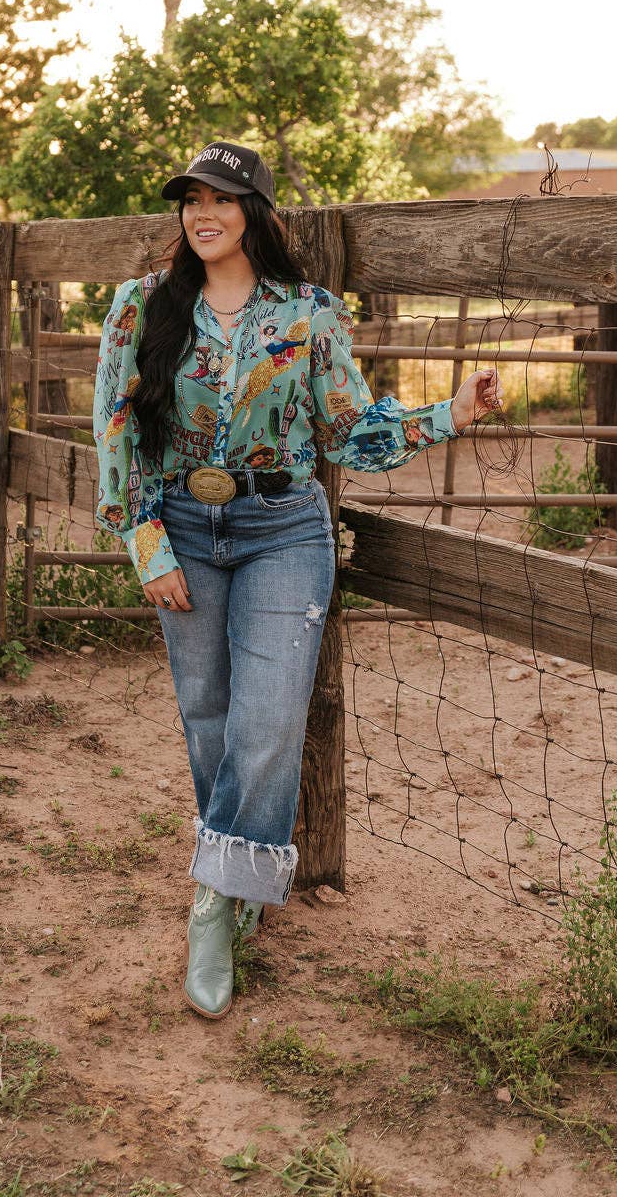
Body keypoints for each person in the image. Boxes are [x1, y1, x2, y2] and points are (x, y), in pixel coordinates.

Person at [92, 140, 502, 1020]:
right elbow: (115, 434)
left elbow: (350, 433)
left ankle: (211, 901)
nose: (203, 214)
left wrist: (449, 414)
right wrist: (145, 545)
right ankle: (238, 886)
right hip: (183, 529)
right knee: (207, 715)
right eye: (191, 201)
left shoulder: (309, 314)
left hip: (283, 529)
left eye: (223, 200)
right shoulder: (139, 308)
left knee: (269, 718)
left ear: (256, 214)